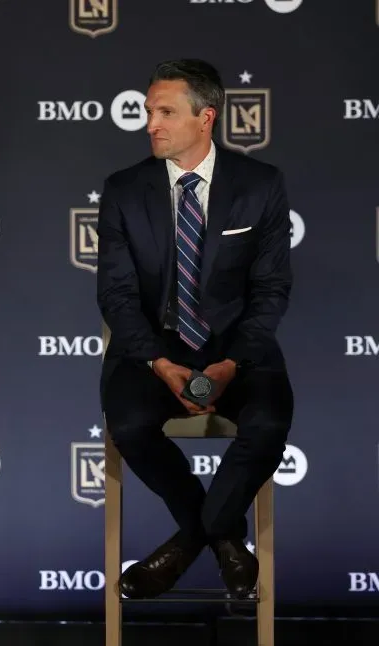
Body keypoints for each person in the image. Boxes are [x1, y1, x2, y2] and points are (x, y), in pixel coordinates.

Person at [96, 59, 294, 600]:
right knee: (131, 423)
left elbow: (271, 290)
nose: (150, 124)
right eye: (147, 111)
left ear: (205, 117)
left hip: (237, 349)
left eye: (165, 112)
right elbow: (115, 294)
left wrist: (231, 364)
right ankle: (223, 538)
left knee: (270, 419)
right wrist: (160, 363)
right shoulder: (123, 189)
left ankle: (185, 544)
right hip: (153, 350)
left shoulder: (261, 185)